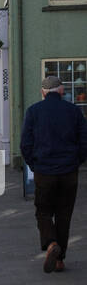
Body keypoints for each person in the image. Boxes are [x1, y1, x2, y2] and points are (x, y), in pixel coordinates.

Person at [20, 74, 87, 273]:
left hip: (44, 171)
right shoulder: (74, 111)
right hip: (69, 172)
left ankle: (50, 244)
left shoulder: (33, 112)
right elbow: (84, 141)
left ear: (43, 93)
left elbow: (25, 144)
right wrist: (77, 161)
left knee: (43, 211)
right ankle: (60, 260)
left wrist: (34, 164)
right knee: (64, 215)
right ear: (62, 90)